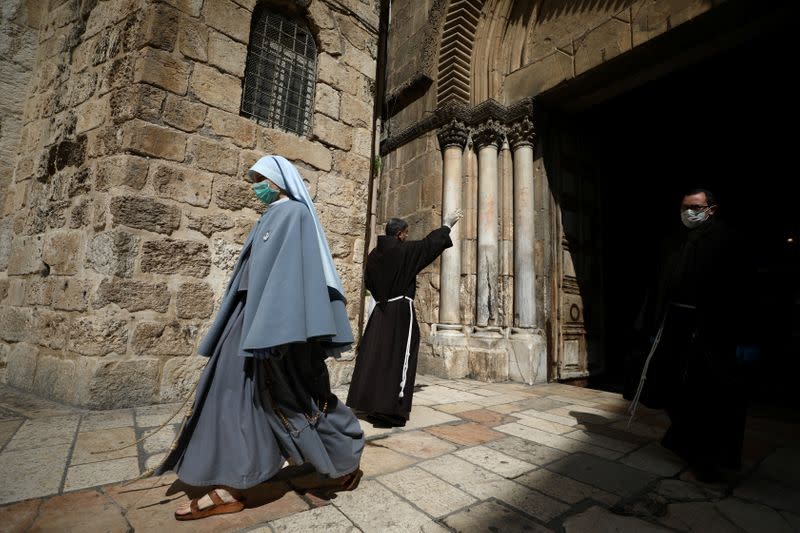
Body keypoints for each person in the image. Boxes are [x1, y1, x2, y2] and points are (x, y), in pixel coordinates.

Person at [155, 156, 364, 520]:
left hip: (278, 328)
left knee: (298, 401)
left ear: (279, 179)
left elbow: (293, 278)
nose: (255, 186)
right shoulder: (269, 216)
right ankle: (232, 479)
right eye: (253, 179)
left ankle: (342, 462)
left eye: (259, 178)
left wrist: (273, 332)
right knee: (233, 396)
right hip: (248, 321)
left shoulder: (295, 214)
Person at [628, 188, 757, 481]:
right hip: (674, 324)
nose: (689, 212)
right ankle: (684, 439)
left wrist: (747, 336)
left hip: (716, 327)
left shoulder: (730, 240)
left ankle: (709, 458)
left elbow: (746, 291)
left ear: (711, 208)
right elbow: (657, 286)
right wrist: (651, 325)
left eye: (695, 206)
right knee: (668, 385)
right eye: (685, 207)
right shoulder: (672, 242)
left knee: (713, 393)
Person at [347, 210, 463, 427]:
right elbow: (428, 246)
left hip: (380, 312)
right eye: (405, 234)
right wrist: (446, 225)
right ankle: (390, 409)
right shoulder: (403, 251)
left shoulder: (373, 255)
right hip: (400, 312)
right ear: (399, 234)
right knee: (400, 357)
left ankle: (369, 401)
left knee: (377, 357)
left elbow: (369, 282)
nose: (407, 237)